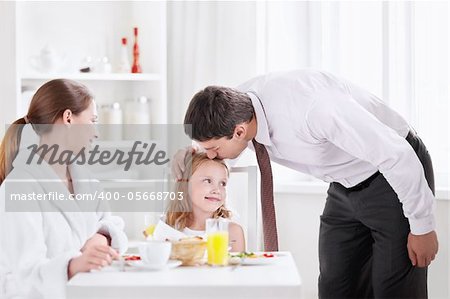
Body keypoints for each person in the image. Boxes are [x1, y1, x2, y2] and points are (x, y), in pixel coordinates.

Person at [178, 69, 438, 298]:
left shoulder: (315, 109)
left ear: (239, 132)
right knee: (335, 285)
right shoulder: (237, 105)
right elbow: (213, 154)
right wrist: (190, 168)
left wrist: (422, 226)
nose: (210, 154)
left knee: (394, 288)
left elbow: (396, 155)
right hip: (344, 182)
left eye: (212, 149)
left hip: (393, 175)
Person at [0, 79, 128, 299]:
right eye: (92, 120)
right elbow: (20, 279)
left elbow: (112, 226)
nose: (96, 132)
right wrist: (71, 266)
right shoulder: (18, 188)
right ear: (68, 118)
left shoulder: (86, 182)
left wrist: (102, 237)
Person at [154, 152, 245, 252]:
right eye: (208, 181)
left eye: (222, 183)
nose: (217, 190)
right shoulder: (168, 226)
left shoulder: (231, 231)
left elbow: (238, 266)